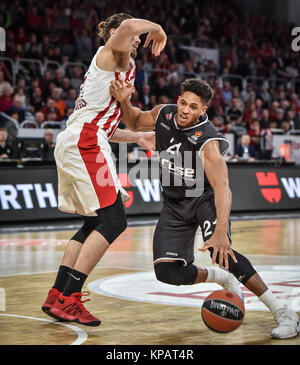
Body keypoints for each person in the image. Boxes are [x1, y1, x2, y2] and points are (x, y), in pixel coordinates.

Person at [109, 77, 300, 339]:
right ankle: (221, 278)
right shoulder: (164, 114)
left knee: (223, 253)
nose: (186, 109)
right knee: (166, 271)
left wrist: (221, 229)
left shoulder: (207, 140)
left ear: (203, 111)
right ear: (178, 100)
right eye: (183, 102)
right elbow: (133, 121)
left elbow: (223, 187)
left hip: (204, 199)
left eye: (193, 106)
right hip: (174, 204)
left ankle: (284, 312)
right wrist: (124, 101)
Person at [42, 13, 167, 327]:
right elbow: (127, 27)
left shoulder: (117, 66)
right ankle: (70, 298)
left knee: (93, 223)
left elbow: (104, 126)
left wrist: (137, 137)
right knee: (113, 220)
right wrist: (157, 27)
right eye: (135, 35)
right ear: (114, 33)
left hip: (79, 138)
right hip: (84, 142)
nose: (138, 39)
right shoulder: (111, 54)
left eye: (142, 36)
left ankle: (57, 294)